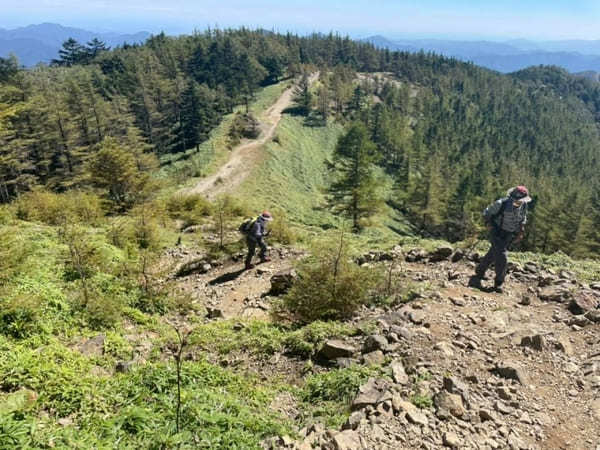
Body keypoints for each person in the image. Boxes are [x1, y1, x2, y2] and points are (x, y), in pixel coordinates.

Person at [472, 186, 532, 293]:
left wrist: (521, 231)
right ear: (514, 197)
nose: (521, 202)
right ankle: (499, 282)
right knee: (502, 256)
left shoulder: (524, 205)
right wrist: (488, 224)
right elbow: (486, 213)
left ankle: (479, 271)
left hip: (509, 233)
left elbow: (523, 218)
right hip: (497, 231)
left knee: (493, 252)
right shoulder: (501, 203)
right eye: (520, 200)